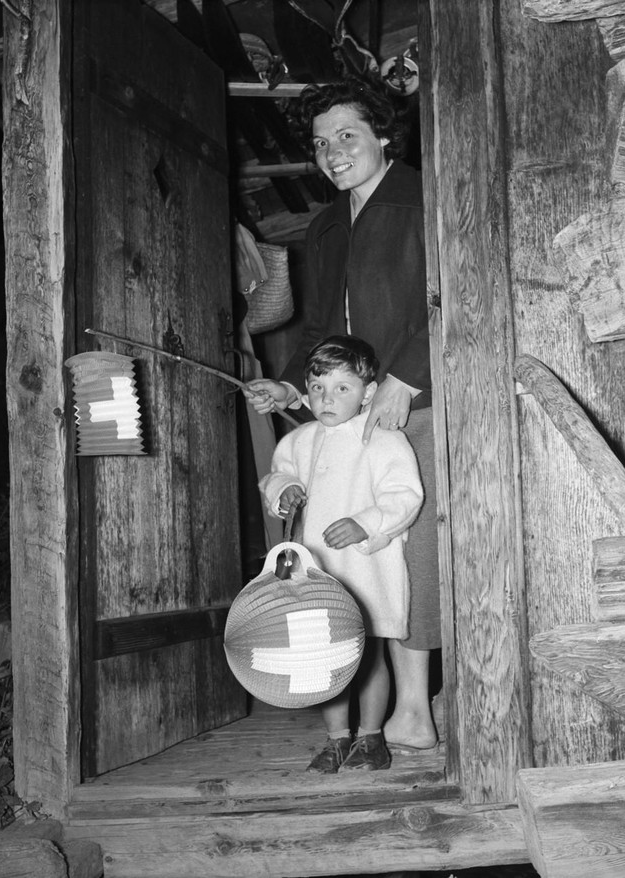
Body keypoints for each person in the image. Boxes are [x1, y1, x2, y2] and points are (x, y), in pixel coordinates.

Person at [245, 75, 441, 752]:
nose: (331, 153)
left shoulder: (424, 197)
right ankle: (364, 706)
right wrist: (294, 390)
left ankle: (414, 706)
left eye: (347, 136)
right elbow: (320, 335)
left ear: (384, 134)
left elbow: (446, 297)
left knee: (407, 546)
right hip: (349, 412)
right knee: (348, 554)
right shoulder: (325, 224)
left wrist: (405, 378)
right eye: (321, 143)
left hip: (416, 401)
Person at [258, 335, 424, 773]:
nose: (326, 399)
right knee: (324, 658)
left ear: (368, 392)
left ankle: (371, 737)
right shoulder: (299, 441)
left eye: (342, 389)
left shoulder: (383, 440)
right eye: (317, 389)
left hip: (367, 569)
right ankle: (336, 739)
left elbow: (405, 496)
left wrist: (365, 523)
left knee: (367, 656)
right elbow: (276, 476)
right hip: (319, 569)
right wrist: (284, 489)